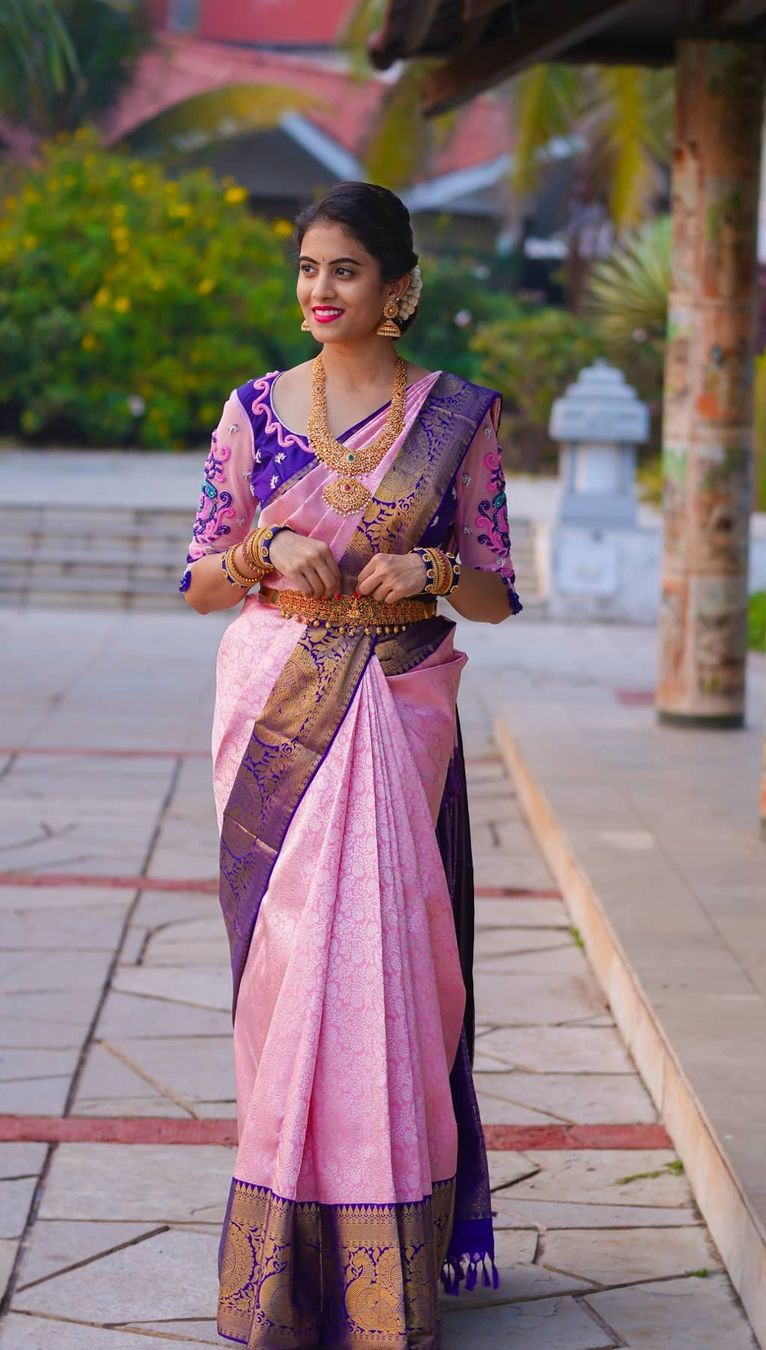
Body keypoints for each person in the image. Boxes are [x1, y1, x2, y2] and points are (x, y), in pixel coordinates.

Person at [180, 181, 519, 1348]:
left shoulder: (459, 418)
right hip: (279, 701)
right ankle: (287, 1261)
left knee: (392, 968)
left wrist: (431, 572)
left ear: (398, 287)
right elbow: (200, 580)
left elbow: (498, 593)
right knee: (290, 974)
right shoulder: (255, 410)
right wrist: (263, 547)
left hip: (398, 700)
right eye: (308, 268)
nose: (320, 290)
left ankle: (386, 1269)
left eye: (346, 270)